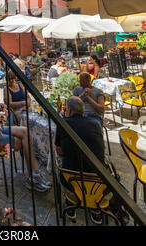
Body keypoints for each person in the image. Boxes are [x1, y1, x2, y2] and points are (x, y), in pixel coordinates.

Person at [0, 81, 51, 192]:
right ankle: (34, 176)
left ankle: (35, 175)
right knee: (22, 141)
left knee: (25, 131)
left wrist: (0, 111)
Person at [54, 96, 107, 224]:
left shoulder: (63, 124)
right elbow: (101, 149)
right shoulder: (95, 125)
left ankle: (70, 203)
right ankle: (95, 208)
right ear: (82, 111)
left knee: (60, 165)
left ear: (70, 111)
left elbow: (59, 151)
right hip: (98, 180)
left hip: (71, 179)